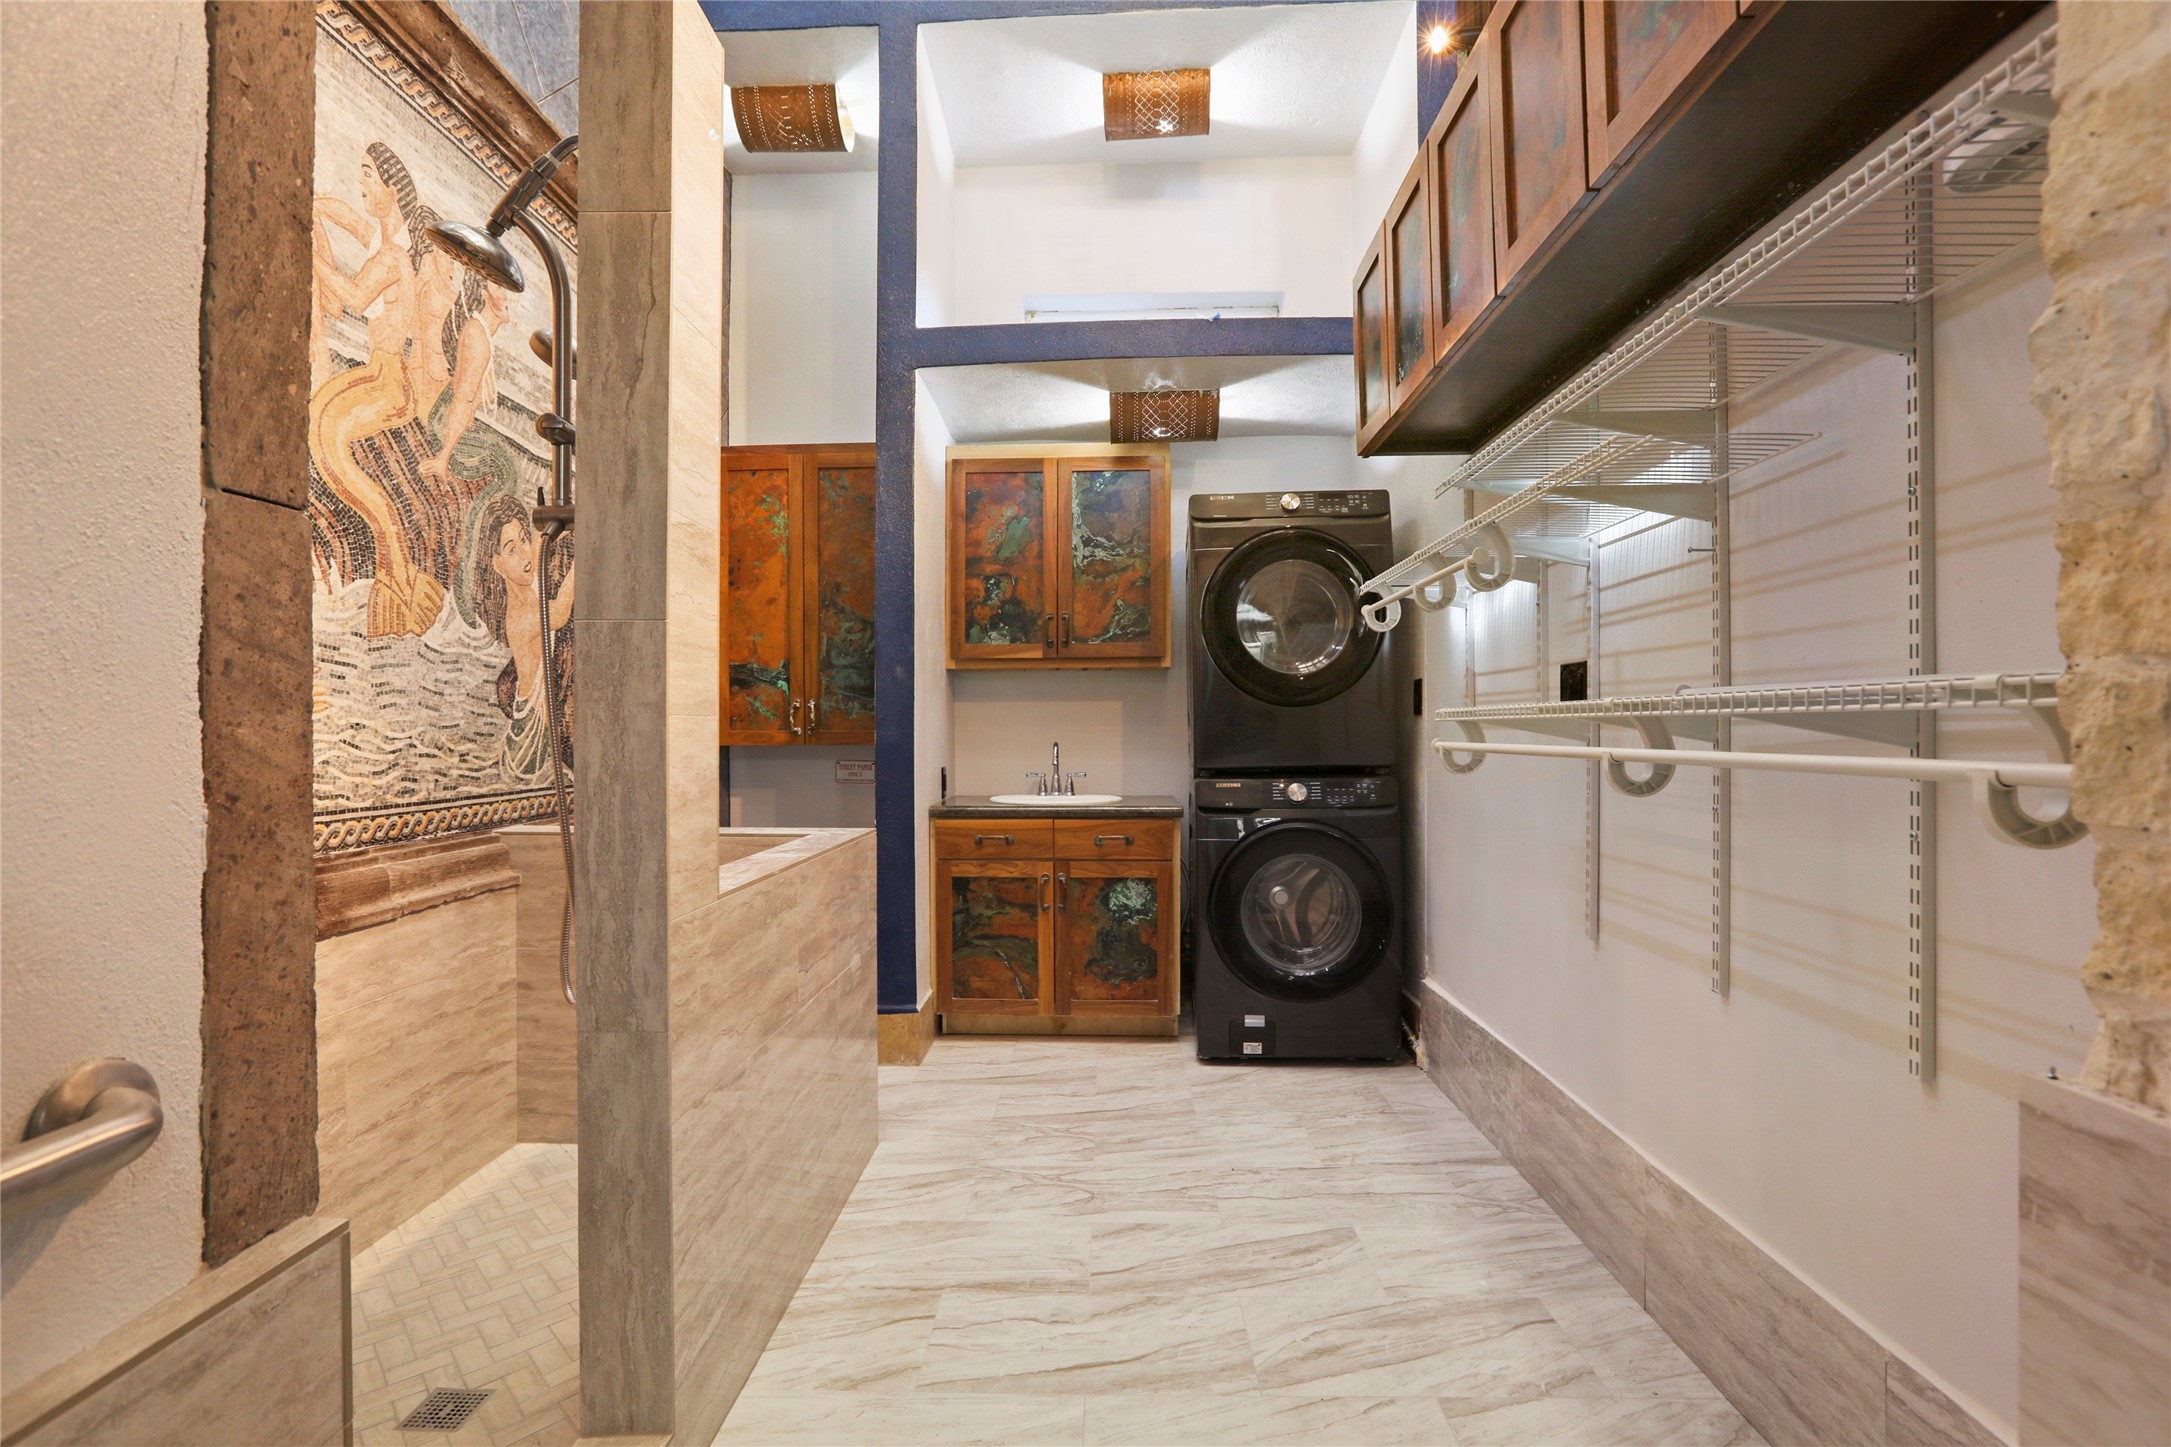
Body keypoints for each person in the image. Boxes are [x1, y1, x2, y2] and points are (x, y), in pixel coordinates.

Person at [307, 141, 446, 637]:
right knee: (322, 428)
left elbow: (348, 297)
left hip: (389, 380)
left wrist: (304, 241)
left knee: (327, 439)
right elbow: (347, 216)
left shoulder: (392, 259)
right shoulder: (384, 247)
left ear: (391, 189)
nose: (361, 183)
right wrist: (309, 205)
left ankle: (396, 573)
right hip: (382, 372)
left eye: (368, 175)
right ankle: (397, 565)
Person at [473, 493, 575, 781]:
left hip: (541, 732)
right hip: (527, 747)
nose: (524, 555)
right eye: (511, 550)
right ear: (497, 564)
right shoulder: (520, 617)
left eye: (523, 540)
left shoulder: (529, 585)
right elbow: (562, 611)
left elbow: (539, 548)